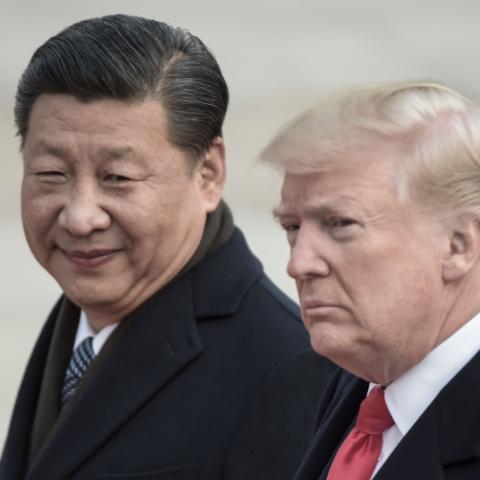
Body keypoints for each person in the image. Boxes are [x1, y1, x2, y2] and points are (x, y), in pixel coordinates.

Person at [0, 14, 336, 480]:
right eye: (51, 174)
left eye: (117, 178)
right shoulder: (86, 309)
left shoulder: (287, 371)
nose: (79, 217)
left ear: (208, 174)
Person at [261, 80, 480, 479]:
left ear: (457, 245)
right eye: (292, 227)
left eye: (340, 224)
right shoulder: (355, 378)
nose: (299, 263)